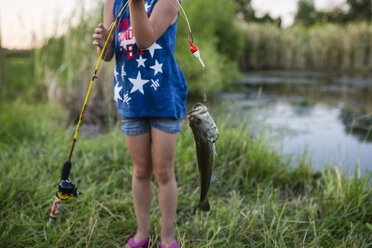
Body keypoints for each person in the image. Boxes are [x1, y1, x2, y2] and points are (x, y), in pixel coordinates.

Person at [92, 0, 186, 247]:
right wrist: (104, 44)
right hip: (130, 97)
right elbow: (110, 54)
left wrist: (135, 4)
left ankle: (167, 238)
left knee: (164, 171)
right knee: (140, 170)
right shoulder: (112, 1)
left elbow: (145, 40)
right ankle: (142, 234)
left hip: (163, 96)